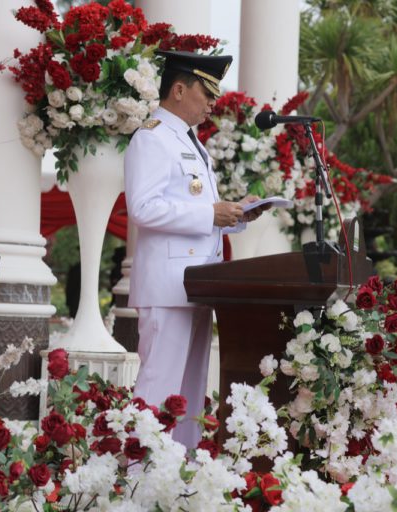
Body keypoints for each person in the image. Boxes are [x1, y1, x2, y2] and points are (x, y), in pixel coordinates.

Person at [124, 50, 269, 449]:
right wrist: (210, 214)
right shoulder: (153, 138)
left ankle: (179, 477)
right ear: (178, 88)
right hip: (168, 287)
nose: (211, 104)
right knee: (159, 390)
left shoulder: (192, 144)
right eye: (207, 93)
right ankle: (141, 478)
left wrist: (237, 214)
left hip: (198, 284)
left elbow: (199, 215)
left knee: (187, 393)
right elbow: (143, 208)